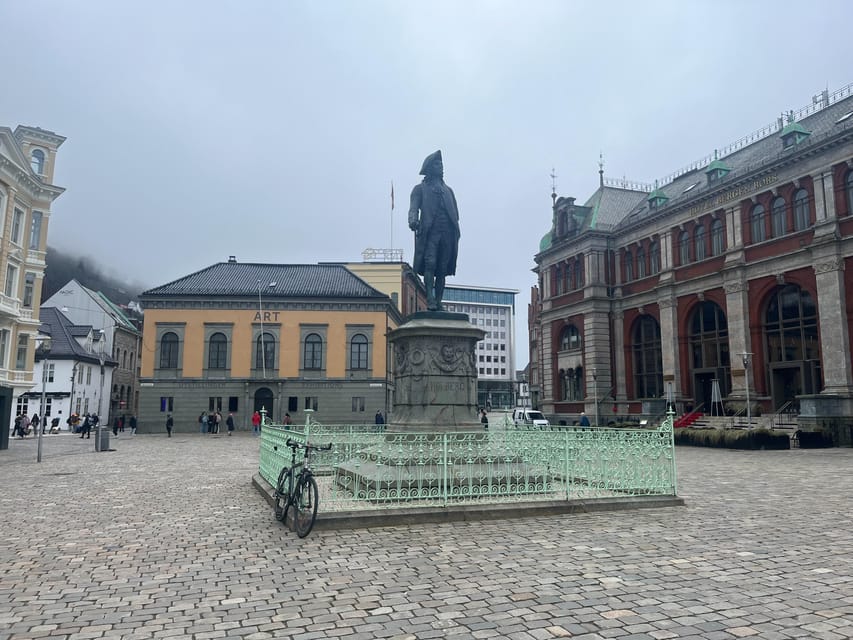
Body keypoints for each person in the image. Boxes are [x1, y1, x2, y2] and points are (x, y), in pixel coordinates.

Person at [408, 150, 461, 311]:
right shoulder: (420, 189)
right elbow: (413, 208)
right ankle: (429, 298)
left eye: (442, 164)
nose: (441, 167)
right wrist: (413, 220)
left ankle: (438, 301)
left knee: (442, 268)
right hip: (430, 232)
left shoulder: (448, 190)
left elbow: (455, 214)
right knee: (430, 263)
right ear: (429, 168)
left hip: (448, 233)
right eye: (437, 164)